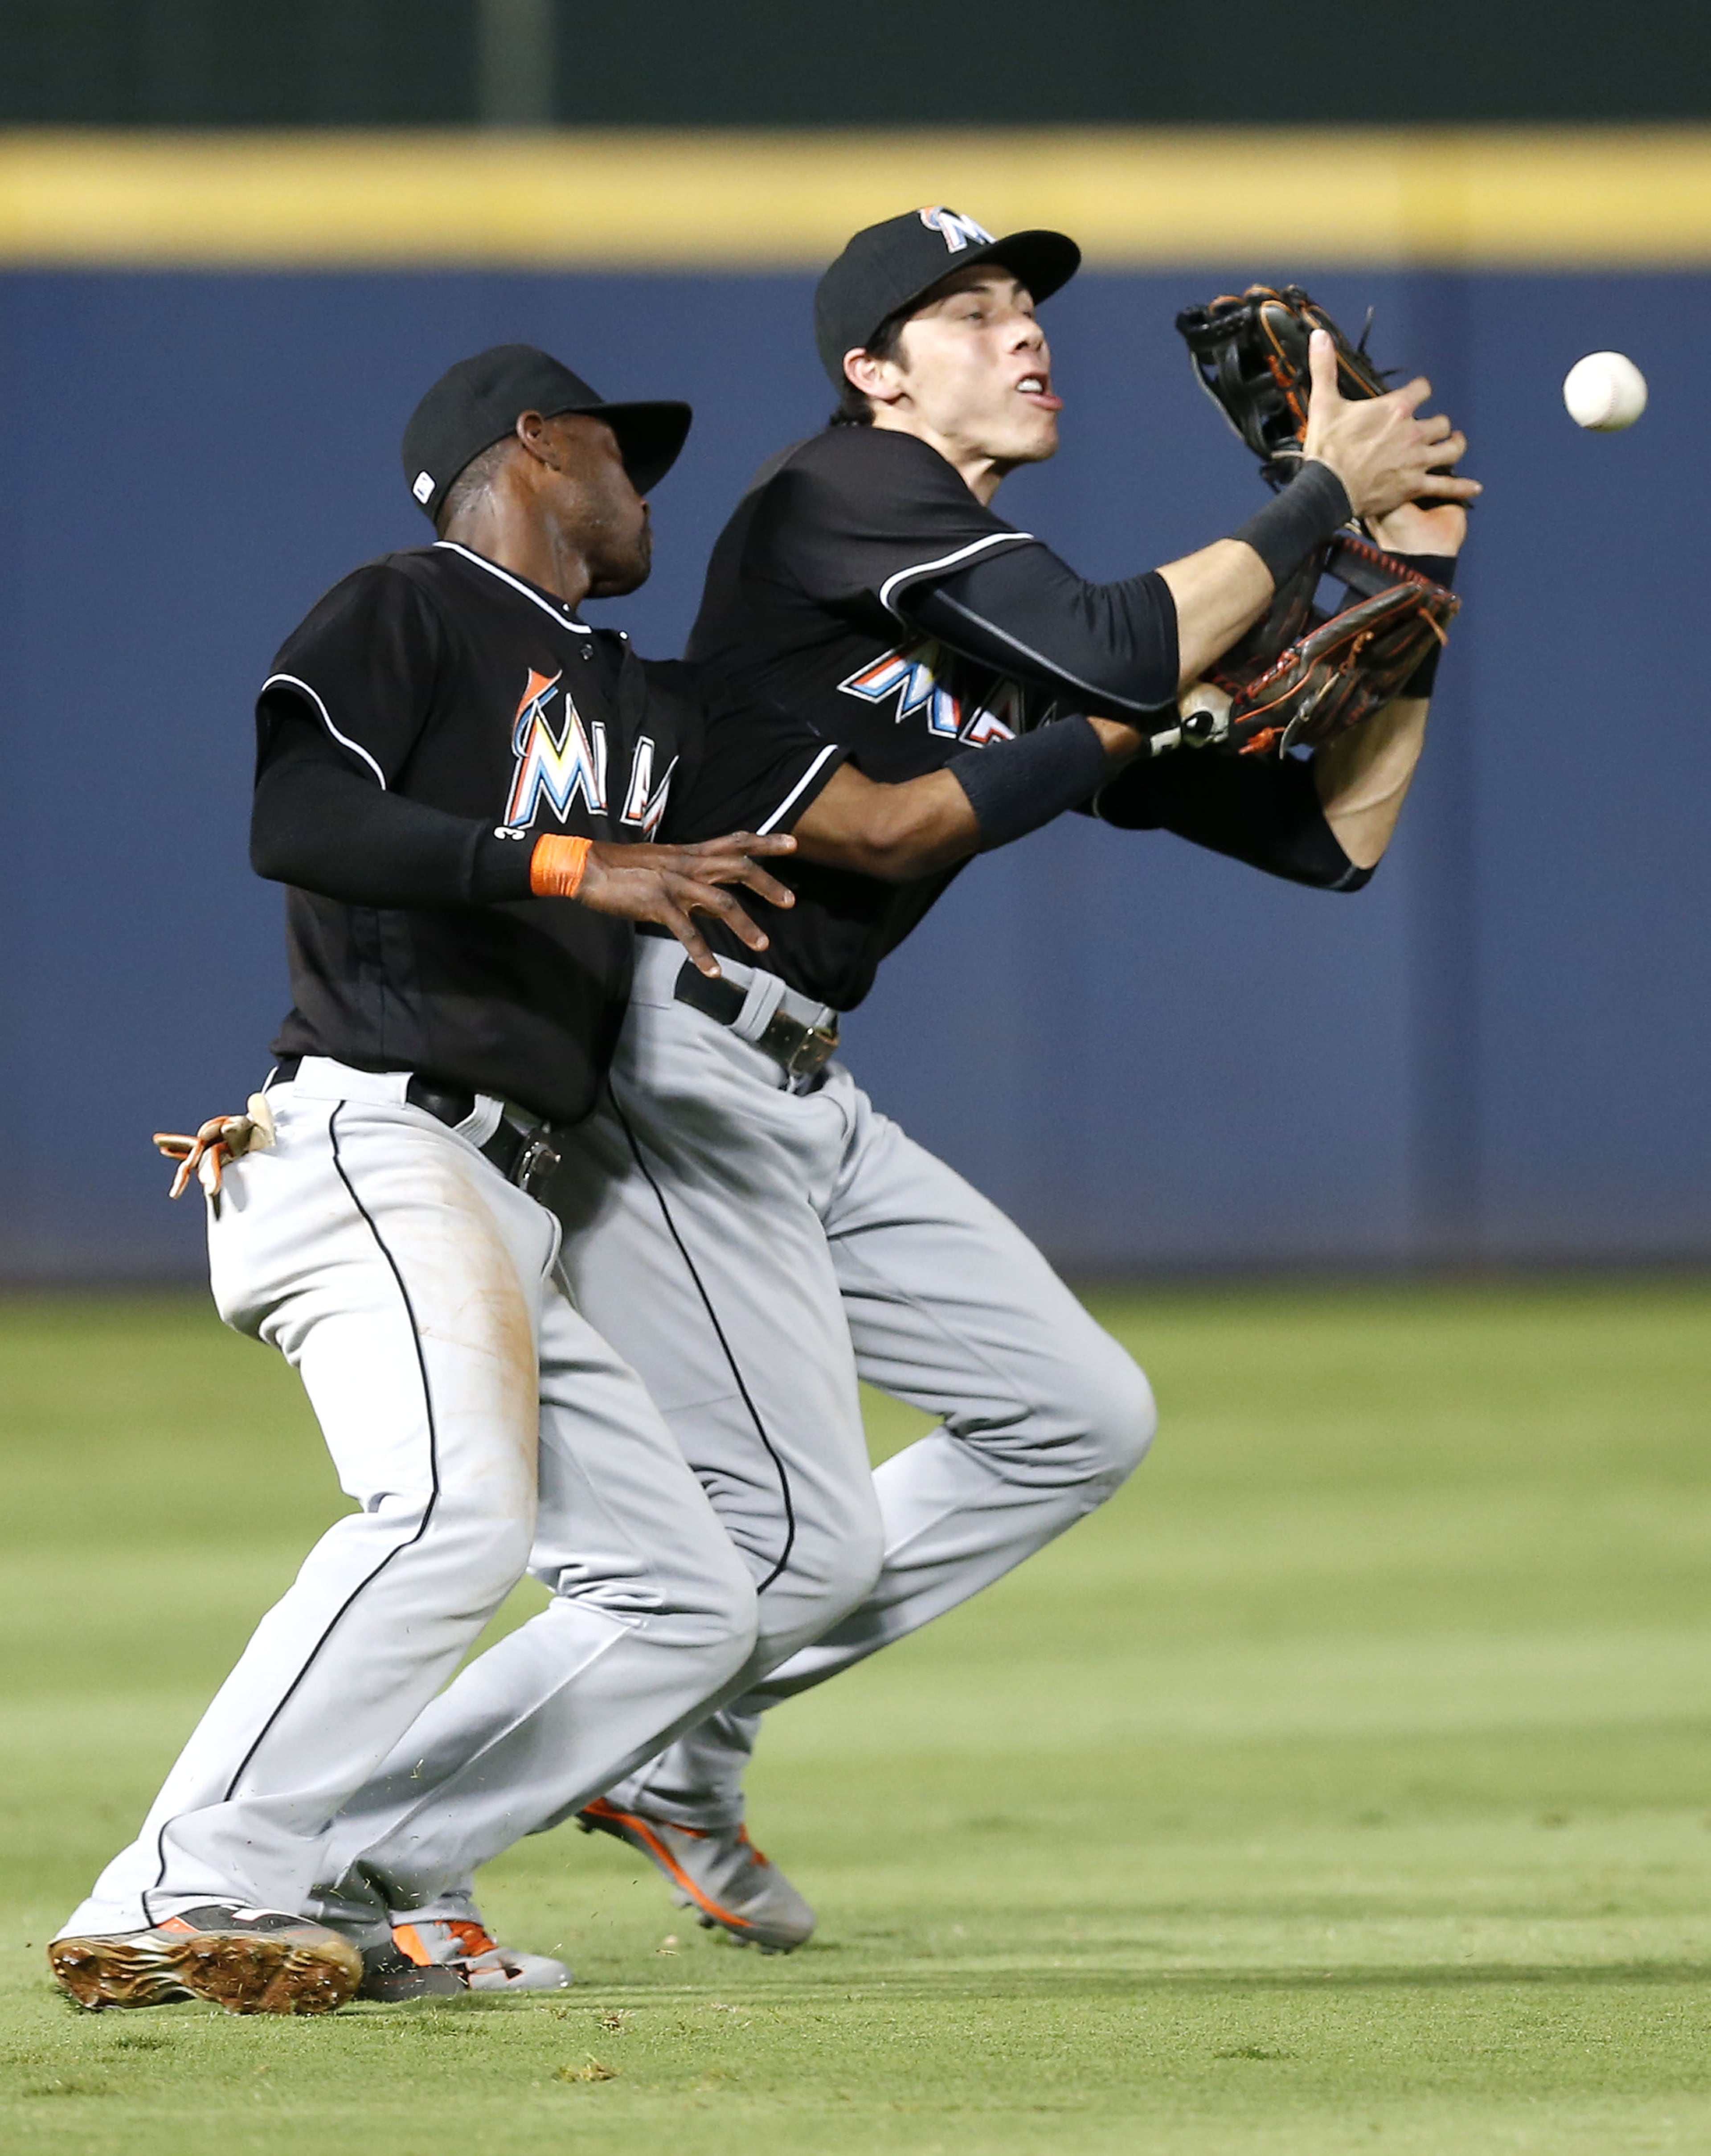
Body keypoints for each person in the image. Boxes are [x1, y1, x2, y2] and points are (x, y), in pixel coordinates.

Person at [344, 211, 1477, 1970]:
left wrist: (1417, 604)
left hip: (797, 1078)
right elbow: (1117, 655)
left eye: (1029, 308)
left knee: (1072, 1414)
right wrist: (1315, 507)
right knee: (785, 1542)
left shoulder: (983, 590)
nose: (1022, 333)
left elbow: (1324, 834)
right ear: (875, 372)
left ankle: (682, 1749)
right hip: (671, 1054)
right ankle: (381, 1838)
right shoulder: (837, 496)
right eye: (967, 311)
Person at [48, 344, 847, 2015]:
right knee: (448, 1513)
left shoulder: (644, 705)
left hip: (511, 1199)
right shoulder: (411, 606)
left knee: (689, 1602)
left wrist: (1179, 705)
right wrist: (566, 862)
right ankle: (177, 1891)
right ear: (536, 445)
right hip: (369, 1137)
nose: (646, 488)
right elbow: (302, 820)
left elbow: (895, 802)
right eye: (624, 452)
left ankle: (363, 1875)